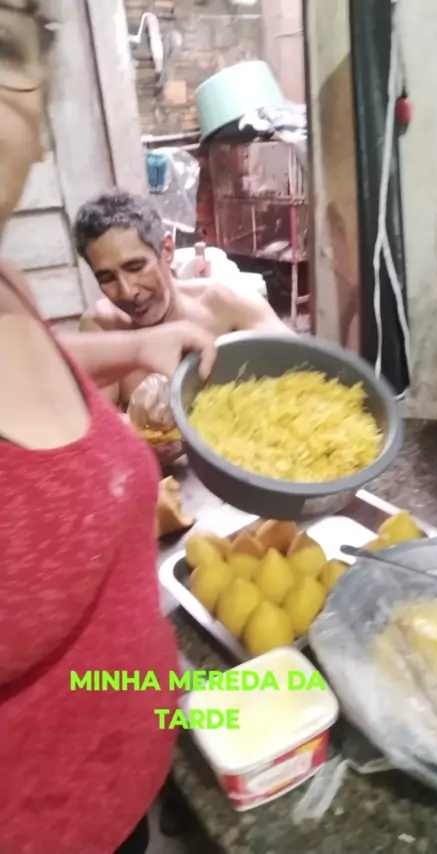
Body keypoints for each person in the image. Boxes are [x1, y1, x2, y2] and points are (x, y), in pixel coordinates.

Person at [0, 3, 216, 853]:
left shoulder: (12, 289)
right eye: (108, 277)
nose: (127, 290)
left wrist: (140, 349)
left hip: (132, 784)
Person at [74, 189, 290, 407]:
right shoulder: (102, 327)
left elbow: (301, 368)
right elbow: (94, 420)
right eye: (107, 278)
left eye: (136, 267)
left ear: (167, 250)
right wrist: (140, 421)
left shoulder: (228, 305)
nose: (128, 291)